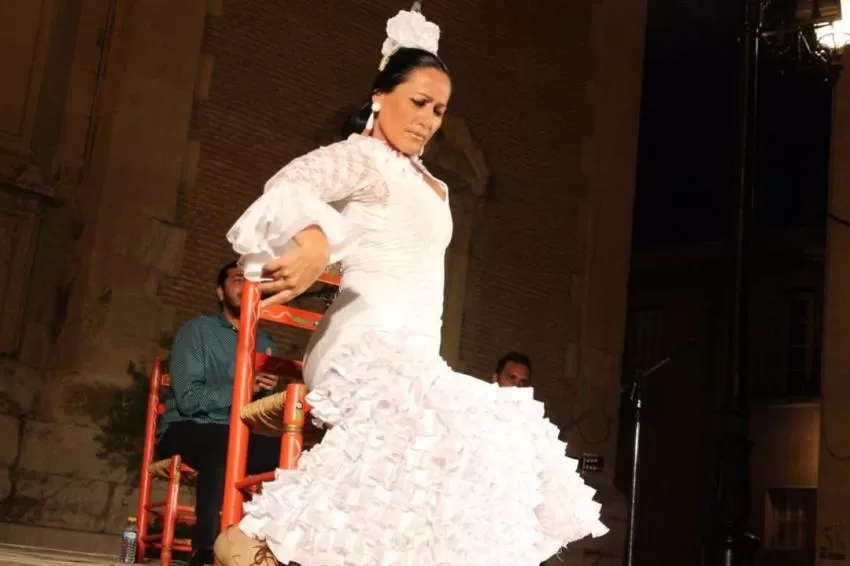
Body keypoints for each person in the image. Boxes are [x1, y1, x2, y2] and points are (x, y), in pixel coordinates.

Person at [213, 7, 607, 566]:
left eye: (439, 110)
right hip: (360, 347)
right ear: (380, 95)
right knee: (437, 418)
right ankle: (256, 538)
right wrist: (314, 242)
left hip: (417, 355)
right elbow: (288, 184)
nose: (427, 119)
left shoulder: (436, 188)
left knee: (499, 426)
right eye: (419, 102)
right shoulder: (361, 158)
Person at [156, 260, 282, 566]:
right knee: (221, 447)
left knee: (295, 457)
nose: (247, 286)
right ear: (220, 292)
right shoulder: (197, 331)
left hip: (239, 432)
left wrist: (265, 392)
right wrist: (243, 387)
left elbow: (259, 411)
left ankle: (277, 551)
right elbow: (188, 399)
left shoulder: (265, 341)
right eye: (238, 279)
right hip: (187, 426)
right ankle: (206, 552)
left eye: (253, 281)